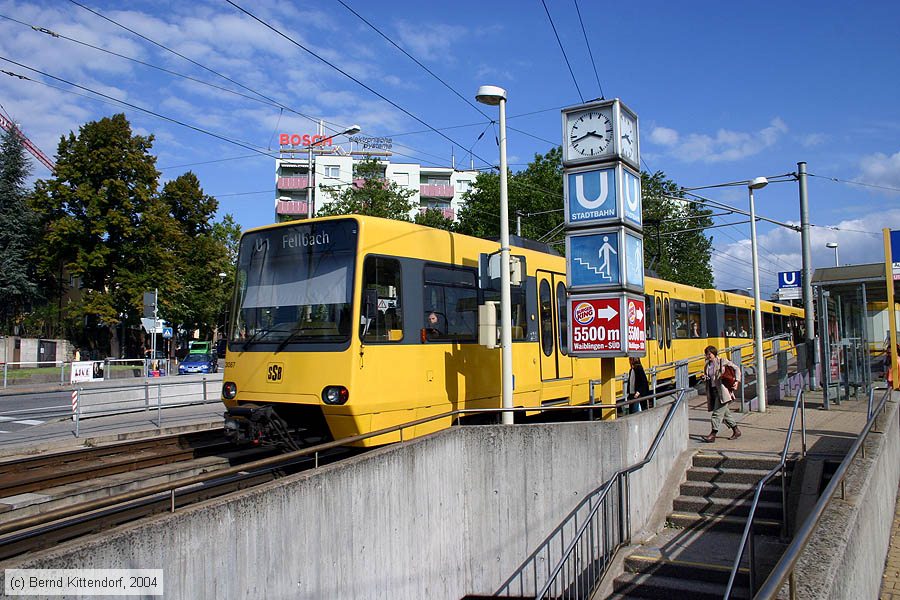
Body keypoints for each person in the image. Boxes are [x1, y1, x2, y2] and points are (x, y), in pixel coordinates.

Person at [700, 345, 741, 443]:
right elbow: (710, 377)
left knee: (716, 414)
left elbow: (736, 369)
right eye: (707, 354)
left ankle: (713, 434)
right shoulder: (707, 365)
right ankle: (736, 430)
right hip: (713, 391)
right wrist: (705, 377)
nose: (708, 356)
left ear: (714, 353)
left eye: (709, 354)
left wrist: (737, 381)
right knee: (726, 414)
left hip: (723, 392)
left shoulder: (722, 361)